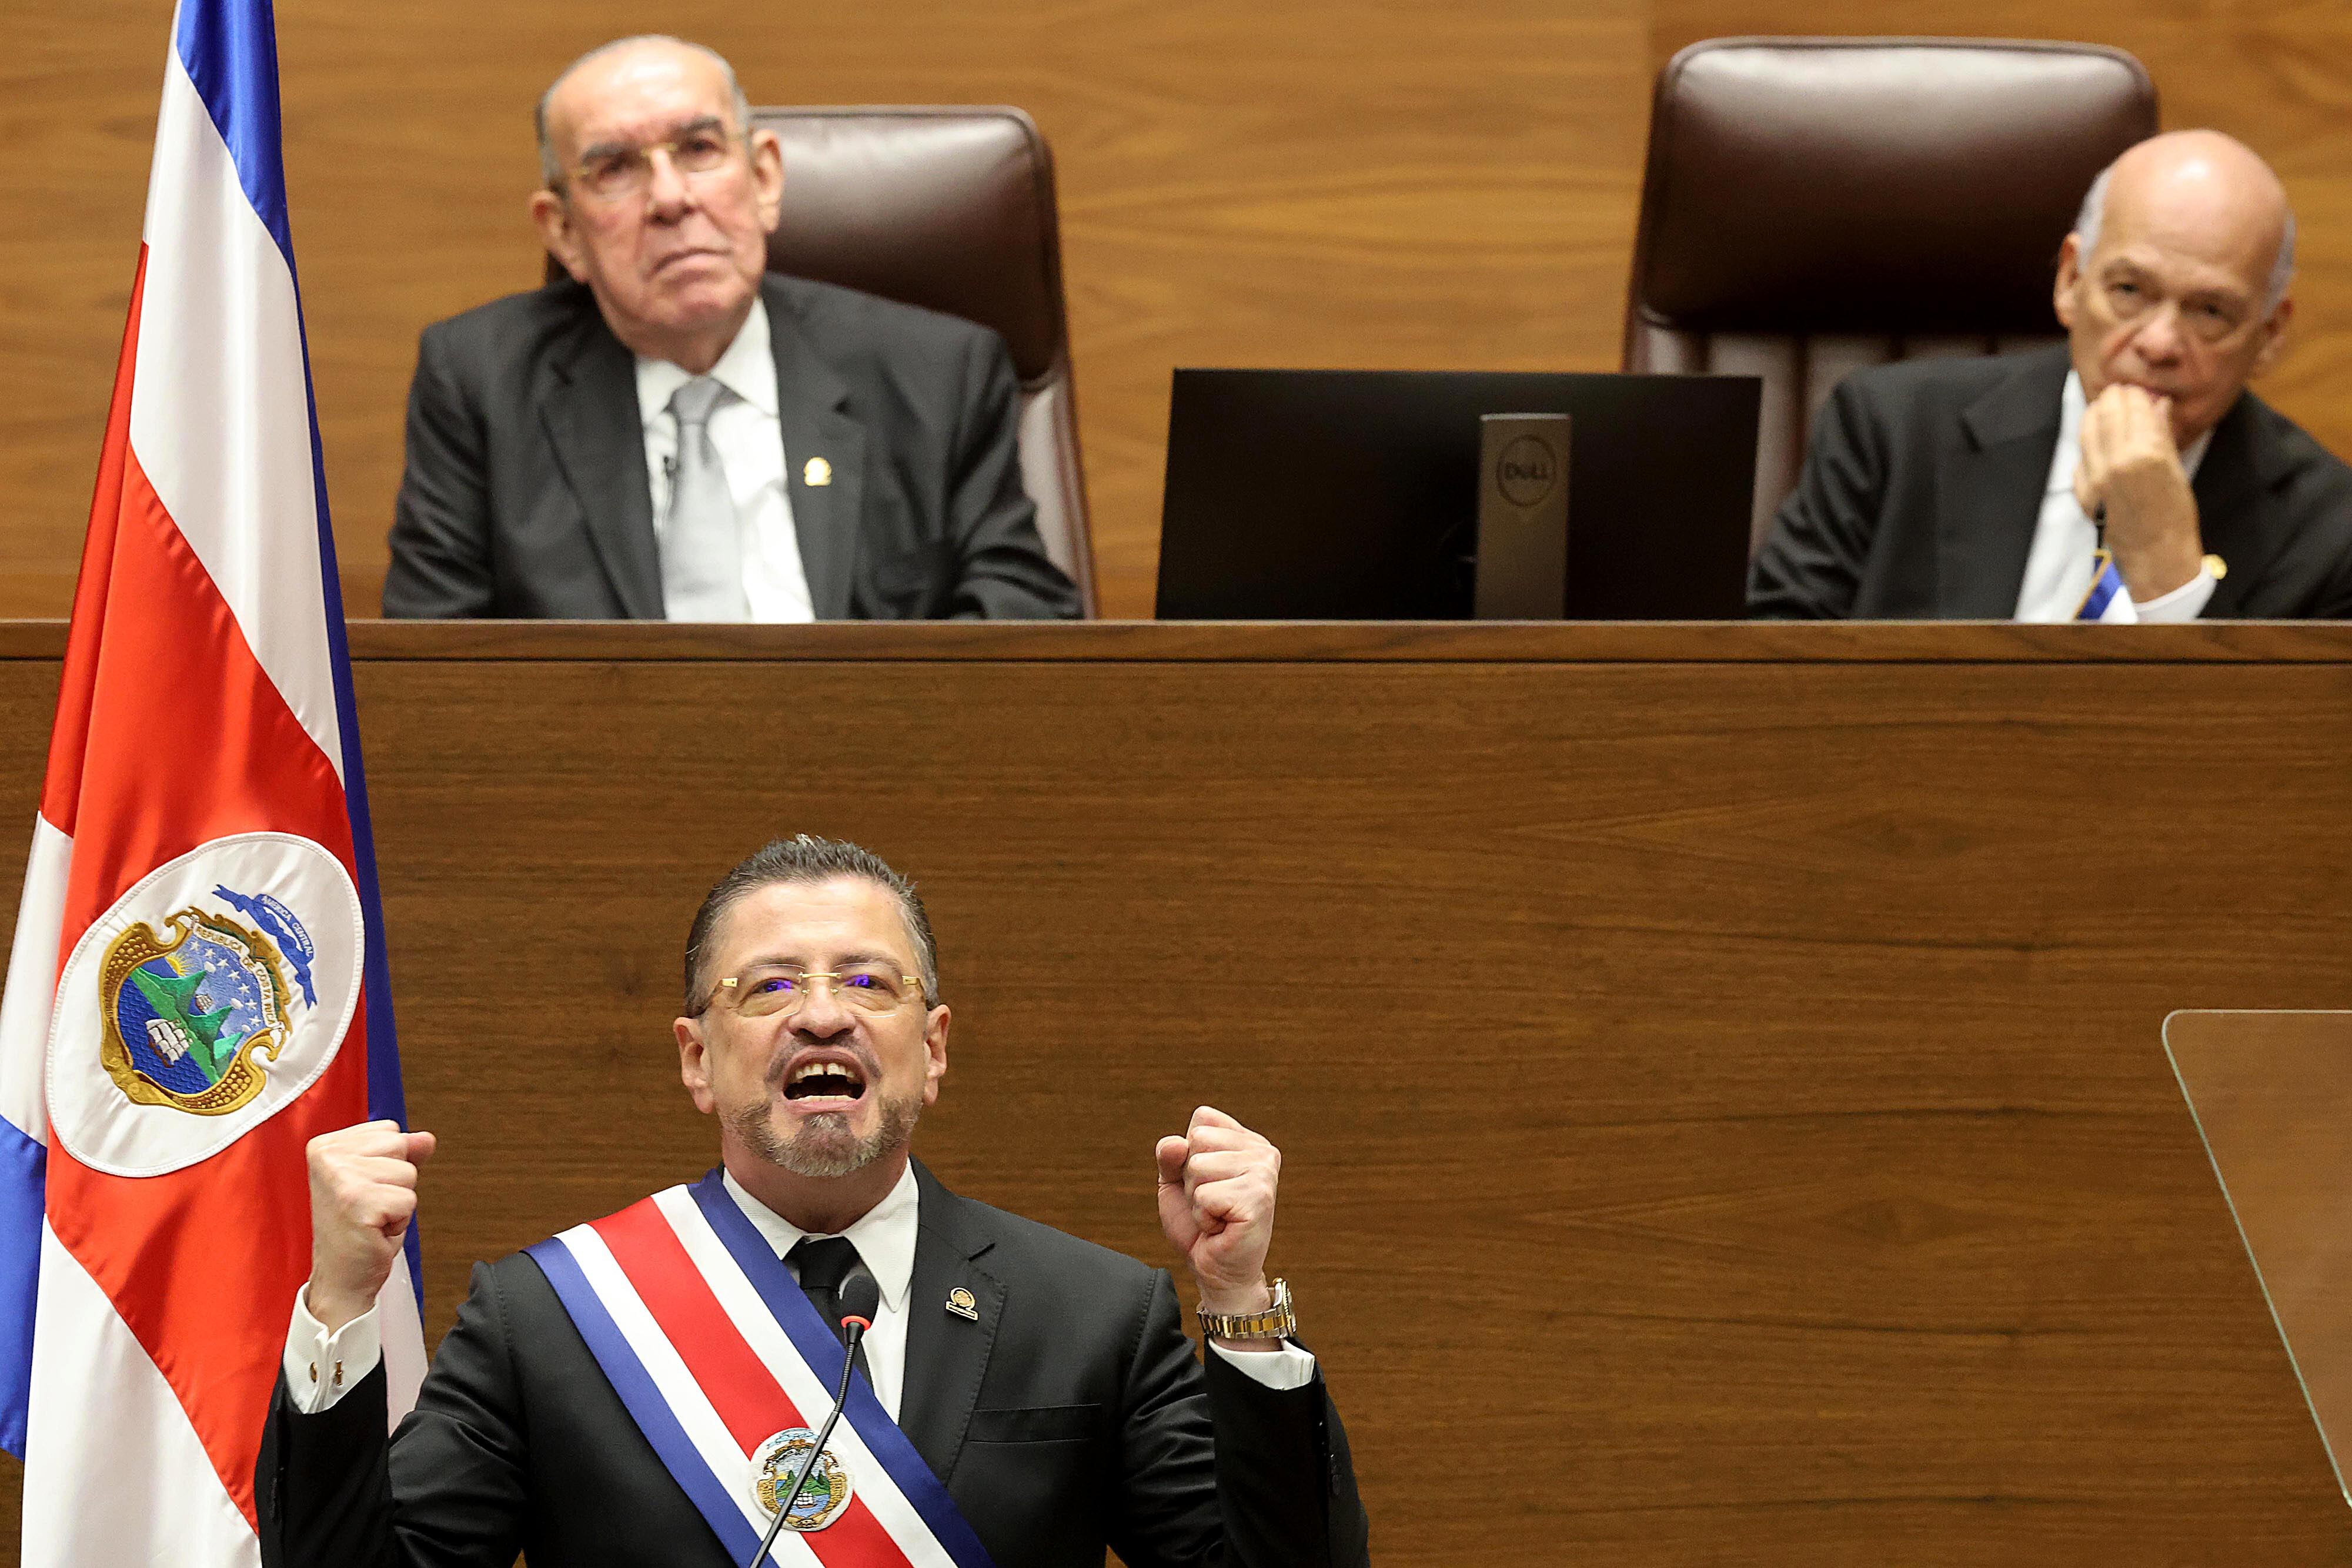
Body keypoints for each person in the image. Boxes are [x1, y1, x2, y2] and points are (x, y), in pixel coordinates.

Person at [256, 836, 1368, 1568]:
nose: (823, 1016)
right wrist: (341, 1303)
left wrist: (1239, 1298)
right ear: (697, 1058)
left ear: (933, 1049)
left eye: (869, 982)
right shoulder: (547, 1320)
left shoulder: (1089, 1313)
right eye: (770, 985)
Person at [382, 37, 1081, 622]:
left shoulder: (936, 373)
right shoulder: (479, 385)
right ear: (563, 230)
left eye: (698, 148)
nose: (670, 198)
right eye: (615, 168)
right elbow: (439, 664)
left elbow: (1022, 617)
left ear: (765, 177)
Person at [1749, 129, 2352, 620]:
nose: (2160, 343)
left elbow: (2277, 763)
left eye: (2210, 311)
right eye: (2129, 291)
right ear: (2070, 281)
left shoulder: (2330, 535)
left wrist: (2166, 574)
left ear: (2270, 336)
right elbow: (1762, 682)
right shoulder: (1891, 433)